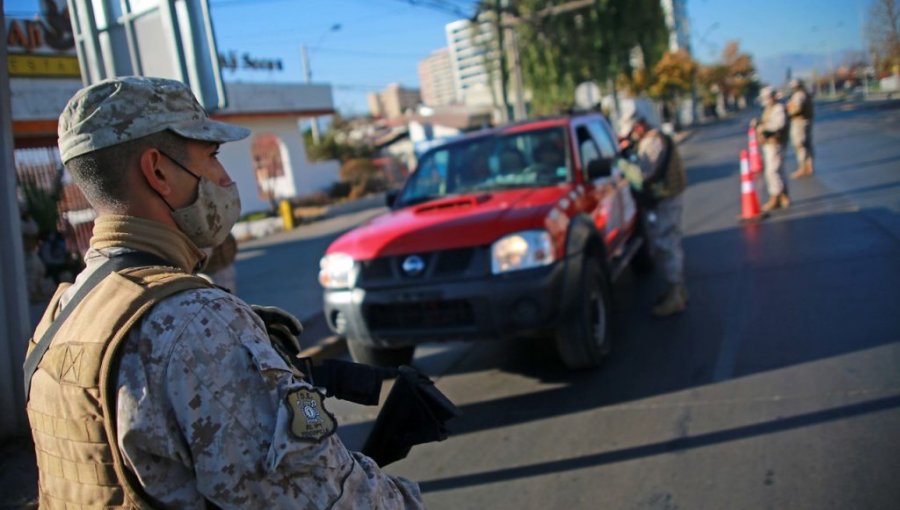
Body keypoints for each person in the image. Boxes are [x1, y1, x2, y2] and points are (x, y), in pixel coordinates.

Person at [24, 76, 423, 509]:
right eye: (212, 155)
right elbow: (321, 499)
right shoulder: (194, 321)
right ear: (158, 171)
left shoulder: (62, 314)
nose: (224, 177)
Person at [618, 114, 688, 317]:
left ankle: (676, 295)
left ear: (639, 125)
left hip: (666, 199)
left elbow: (642, 175)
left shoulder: (653, 142)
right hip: (665, 197)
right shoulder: (653, 139)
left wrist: (620, 164)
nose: (632, 135)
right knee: (667, 243)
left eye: (632, 131)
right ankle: (676, 291)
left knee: (667, 244)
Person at [755, 86, 790, 212]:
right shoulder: (769, 109)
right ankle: (782, 195)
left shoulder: (778, 108)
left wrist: (763, 127)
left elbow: (778, 125)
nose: (766, 100)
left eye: (768, 97)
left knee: (772, 171)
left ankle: (776, 196)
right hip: (769, 143)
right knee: (777, 170)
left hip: (776, 143)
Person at [787, 78, 815, 179]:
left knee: (800, 145)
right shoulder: (805, 93)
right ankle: (809, 165)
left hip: (799, 122)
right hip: (806, 121)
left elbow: (797, 108)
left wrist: (789, 110)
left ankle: (802, 167)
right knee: (807, 144)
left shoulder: (798, 95)